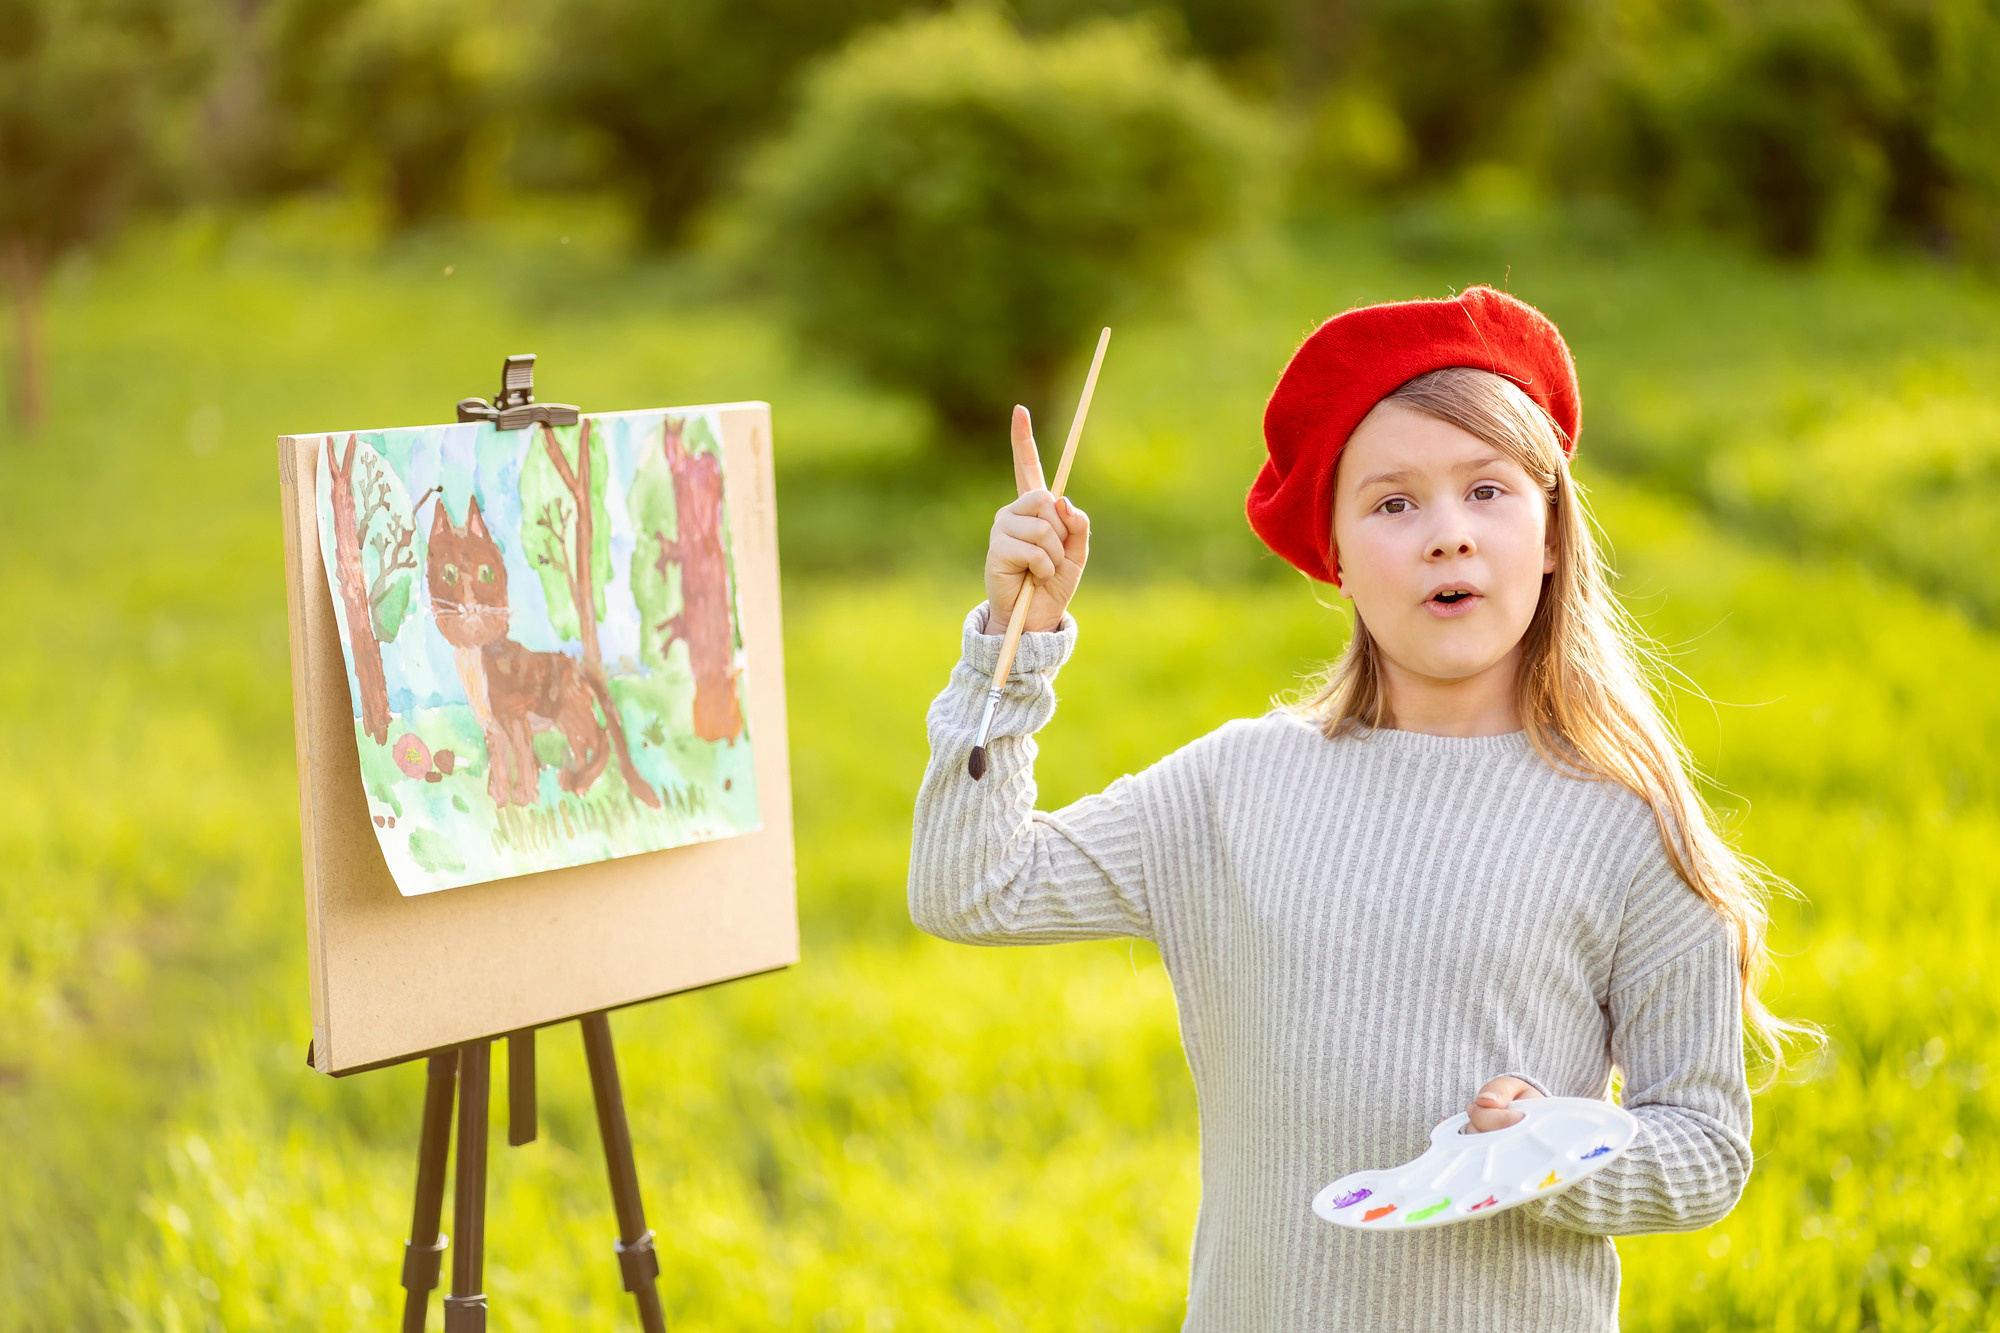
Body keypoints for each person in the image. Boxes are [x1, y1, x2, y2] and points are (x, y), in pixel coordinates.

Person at [907, 287, 1802, 1331]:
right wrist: (1006, 653)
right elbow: (967, 887)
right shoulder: (1235, 786)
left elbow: (1702, 1147)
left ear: (1552, 530)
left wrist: (1550, 1151)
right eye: (1391, 503)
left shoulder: (1623, 820)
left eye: (1486, 491)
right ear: (1330, 552)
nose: (1446, 537)